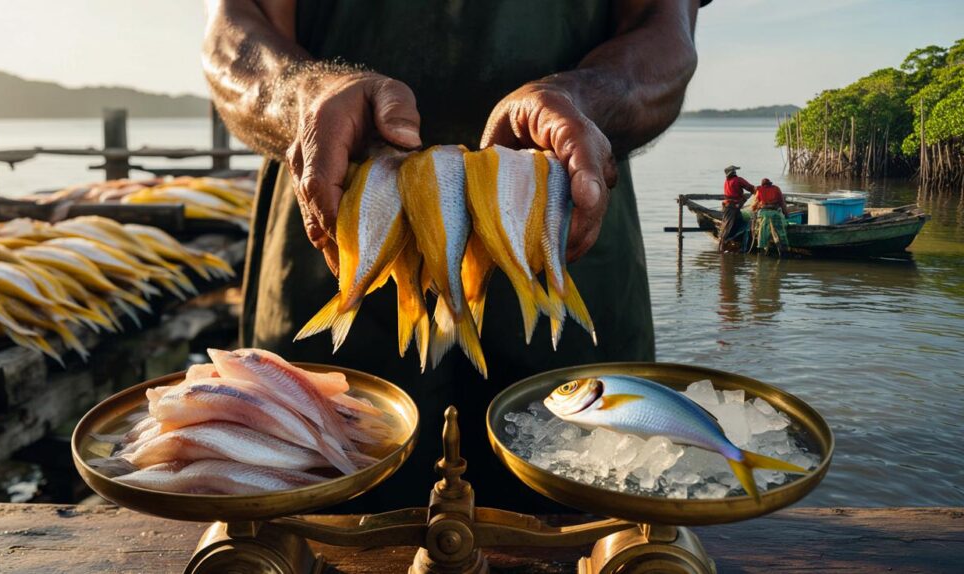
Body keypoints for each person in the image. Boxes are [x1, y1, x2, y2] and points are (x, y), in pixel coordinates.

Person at [203, 0, 709, 512]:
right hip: (337, 234)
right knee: (314, 524)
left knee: (588, 519)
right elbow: (232, 35)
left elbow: (664, 31)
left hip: (560, 230)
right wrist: (304, 97)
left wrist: (585, 98)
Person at [719, 165, 754, 252]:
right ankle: (723, 246)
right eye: (735, 171)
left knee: (738, 222)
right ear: (733, 173)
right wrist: (757, 190)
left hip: (728, 206)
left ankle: (731, 242)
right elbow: (750, 188)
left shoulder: (727, 181)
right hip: (732, 207)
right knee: (728, 227)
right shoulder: (738, 180)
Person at [751, 178, 789, 254]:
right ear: (770, 184)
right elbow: (782, 203)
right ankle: (784, 245)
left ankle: (762, 246)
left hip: (764, 213)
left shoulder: (759, 190)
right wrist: (786, 214)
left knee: (762, 230)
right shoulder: (776, 189)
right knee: (780, 230)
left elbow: (754, 206)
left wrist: (755, 208)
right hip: (775, 213)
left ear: (762, 185)